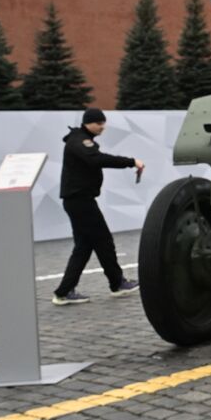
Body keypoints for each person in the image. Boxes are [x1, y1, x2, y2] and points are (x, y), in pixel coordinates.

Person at [51, 108, 143, 306]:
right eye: (99, 123)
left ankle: (64, 291)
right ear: (88, 123)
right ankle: (117, 283)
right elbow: (96, 159)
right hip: (80, 201)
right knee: (103, 241)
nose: (103, 127)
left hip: (78, 200)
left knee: (84, 247)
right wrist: (130, 162)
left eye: (104, 123)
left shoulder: (80, 139)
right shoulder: (80, 141)